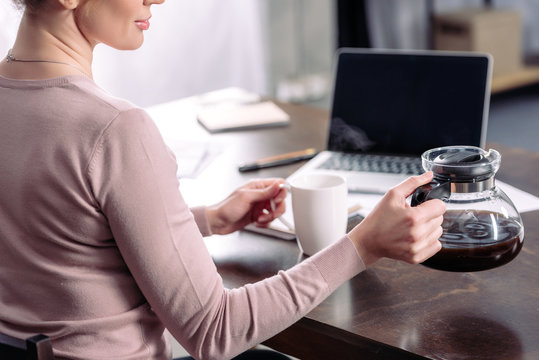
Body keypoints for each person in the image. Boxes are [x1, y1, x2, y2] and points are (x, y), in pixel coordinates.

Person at [0, 0, 446, 359]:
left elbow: (50, 226)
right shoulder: (113, 128)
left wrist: (204, 219)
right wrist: (363, 245)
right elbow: (214, 332)